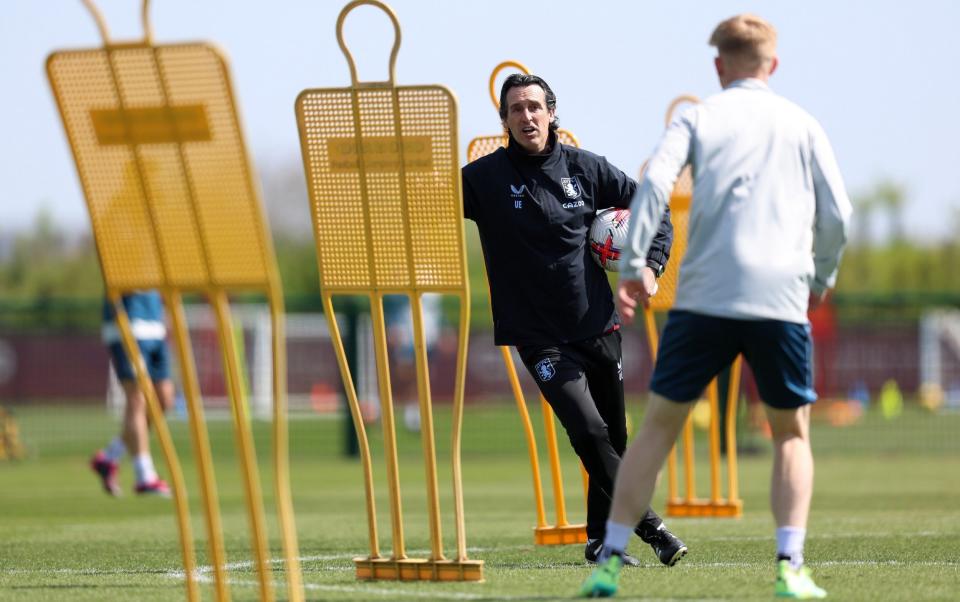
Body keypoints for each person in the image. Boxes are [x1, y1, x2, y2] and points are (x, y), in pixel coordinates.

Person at [579, 14, 852, 599]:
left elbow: (651, 187)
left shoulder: (697, 117)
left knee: (655, 430)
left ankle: (611, 562)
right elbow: (839, 215)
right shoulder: (802, 123)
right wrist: (820, 276)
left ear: (718, 66)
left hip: (703, 298)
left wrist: (633, 269)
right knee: (791, 435)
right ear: (772, 65)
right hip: (779, 297)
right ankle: (790, 565)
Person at [462, 73, 686, 567]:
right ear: (503, 121)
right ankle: (652, 528)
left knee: (612, 435)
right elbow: (429, 207)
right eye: (516, 109)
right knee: (587, 432)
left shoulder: (586, 169)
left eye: (534, 107)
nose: (526, 117)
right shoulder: (483, 179)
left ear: (552, 113)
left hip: (598, 325)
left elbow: (654, 207)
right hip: (539, 337)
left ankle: (601, 540)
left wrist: (650, 265)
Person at [90, 290, 174, 497]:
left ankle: (109, 457)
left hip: (154, 323)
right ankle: (145, 477)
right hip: (127, 324)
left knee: (164, 399)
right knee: (137, 400)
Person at [383, 292, 443, 432]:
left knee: (423, 377)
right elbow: (389, 305)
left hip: (428, 335)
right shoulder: (398, 282)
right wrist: (391, 326)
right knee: (404, 375)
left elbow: (437, 311)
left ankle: (414, 411)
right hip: (404, 335)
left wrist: (444, 330)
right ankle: (393, 409)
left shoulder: (433, 287)